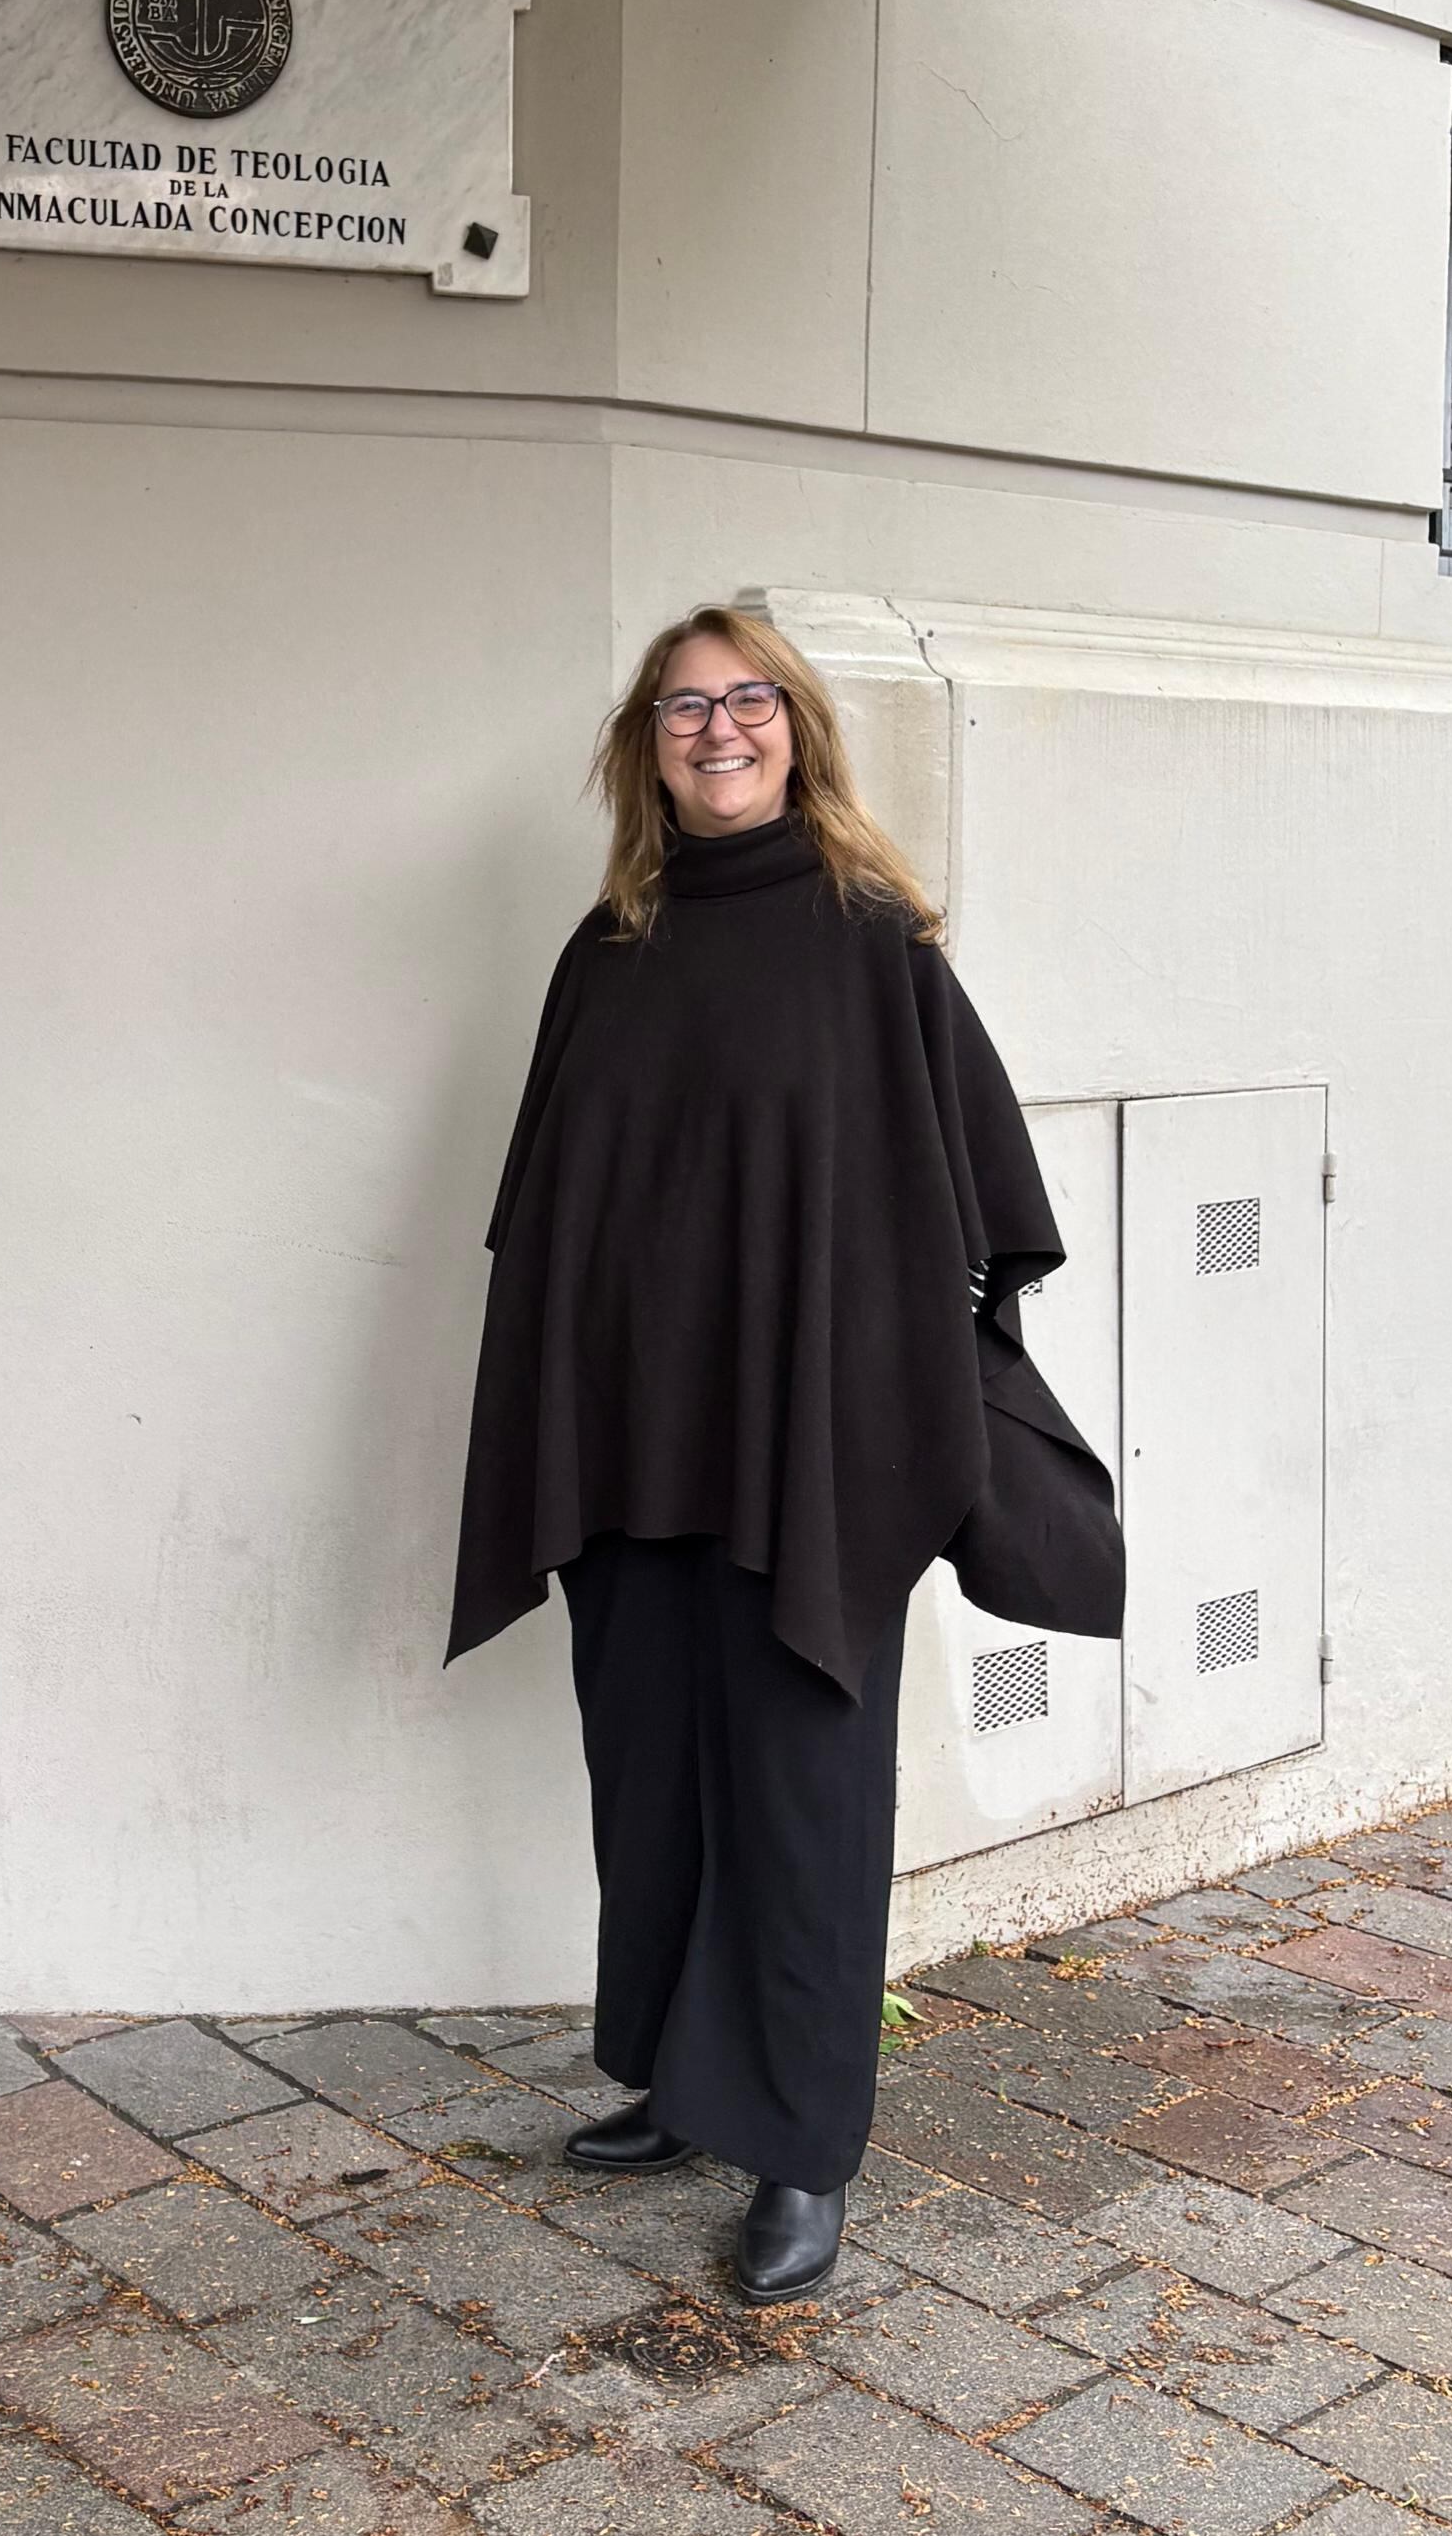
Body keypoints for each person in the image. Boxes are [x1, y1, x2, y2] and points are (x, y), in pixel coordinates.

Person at [448, 603, 1124, 2301]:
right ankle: (680, 2083)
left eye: (749, 700)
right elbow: (548, 1206)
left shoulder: (870, 935)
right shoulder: (609, 946)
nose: (718, 728)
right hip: (633, 1448)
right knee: (655, 1771)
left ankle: (802, 2147)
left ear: (798, 731)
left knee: (803, 1796)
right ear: (643, 745)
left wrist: (872, 1364)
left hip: (805, 1457)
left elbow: (976, 1206)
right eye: (684, 707)